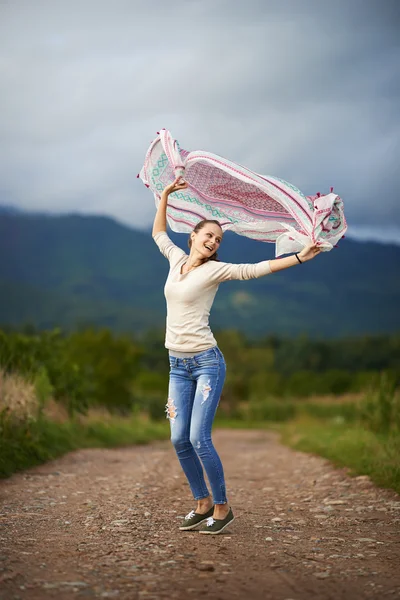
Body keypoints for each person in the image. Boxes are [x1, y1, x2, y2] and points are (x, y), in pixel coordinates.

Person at [152, 176, 322, 535]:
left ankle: (222, 507)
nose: (213, 241)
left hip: (206, 363)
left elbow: (255, 269)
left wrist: (299, 258)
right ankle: (201, 503)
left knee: (199, 437)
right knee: (178, 439)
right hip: (176, 366)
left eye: (218, 239)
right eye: (207, 235)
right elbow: (158, 234)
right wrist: (165, 194)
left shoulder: (216, 271)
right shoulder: (175, 260)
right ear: (193, 236)